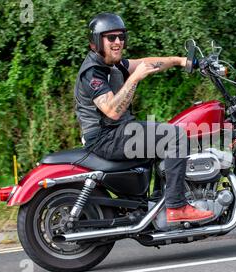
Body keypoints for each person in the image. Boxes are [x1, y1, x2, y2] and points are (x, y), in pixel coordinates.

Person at [74, 12, 214, 223]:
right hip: (105, 137)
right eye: (111, 37)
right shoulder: (93, 72)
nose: (118, 42)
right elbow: (112, 110)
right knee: (175, 136)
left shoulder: (114, 64)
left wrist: (180, 61)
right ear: (96, 42)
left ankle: (159, 204)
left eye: (121, 37)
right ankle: (176, 206)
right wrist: (135, 78)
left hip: (117, 132)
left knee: (163, 134)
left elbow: (147, 62)